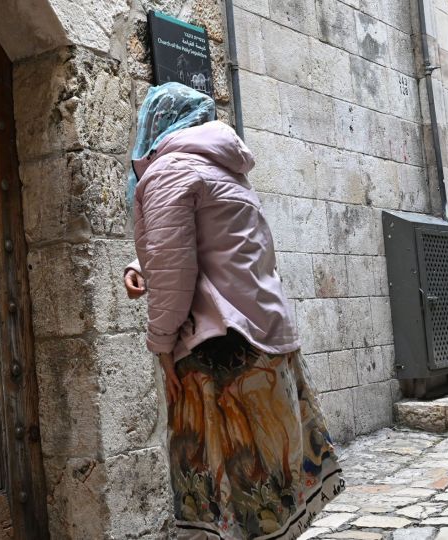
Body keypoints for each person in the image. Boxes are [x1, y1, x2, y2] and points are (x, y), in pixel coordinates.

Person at [124, 83, 344, 539]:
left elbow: (173, 271)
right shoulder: (221, 166)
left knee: (231, 487)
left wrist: (162, 346)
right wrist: (140, 264)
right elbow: (211, 243)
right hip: (262, 332)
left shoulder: (169, 170)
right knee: (269, 483)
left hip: (219, 348)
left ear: (155, 123)